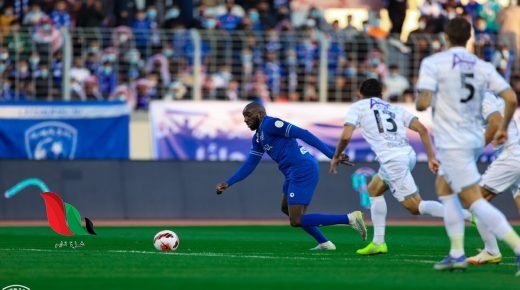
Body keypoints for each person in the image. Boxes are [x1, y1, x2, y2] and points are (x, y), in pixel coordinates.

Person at [415, 17, 520, 274]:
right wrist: (505, 128)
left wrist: (427, 98)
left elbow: (422, 103)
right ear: (469, 37)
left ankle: (509, 248)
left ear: (446, 38)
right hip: (479, 142)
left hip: (458, 141)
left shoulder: (434, 63)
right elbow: (511, 98)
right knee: (445, 187)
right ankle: (457, 253)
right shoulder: (482, 66)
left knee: (475, 200)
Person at [216, 102, 367, 250]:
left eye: (248, 115)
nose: (245, 120)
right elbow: (250, 164)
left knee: (296, 220)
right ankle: (325, 243)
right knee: (286, 208)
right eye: (244, 117)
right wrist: (228, 183)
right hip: (292, 173)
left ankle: (350, 218)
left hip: (302, 169)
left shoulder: (271, 124)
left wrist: (331, 155)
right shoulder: (257, 138)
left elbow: (304, 134)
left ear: (260, 114)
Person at [330, 78, 447, 256]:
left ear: (360, 93)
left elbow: (346, 135)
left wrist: (336, 155)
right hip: (408, 155)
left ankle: (468, 216)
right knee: (373, 189)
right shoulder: (394, 108)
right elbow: (423, 130)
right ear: (382, 94)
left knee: (415, 207)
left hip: (393, 160)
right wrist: (431, 157)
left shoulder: (359, 107)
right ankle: (378, 243)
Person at [465, 92, 520, 265]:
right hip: (516, 152)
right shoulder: (490, 99)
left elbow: (495, 123)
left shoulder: (480, 97)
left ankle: (491, 251)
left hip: (511, 156)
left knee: (475, 201)